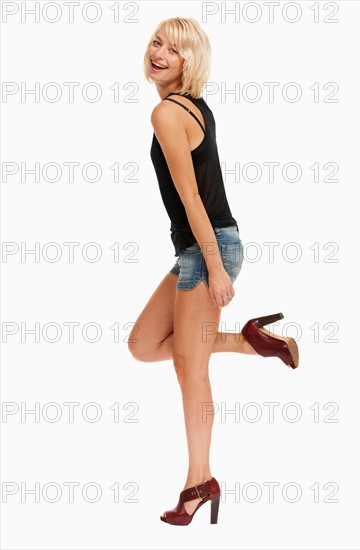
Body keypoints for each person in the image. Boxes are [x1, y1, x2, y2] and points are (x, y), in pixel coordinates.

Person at [128, 17, 299, 526]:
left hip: (209, 250)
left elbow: (192, 196)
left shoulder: (166, 112)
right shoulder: (193, 107)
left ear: (189, 62)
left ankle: (198, 482)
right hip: (197, 250)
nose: (159, 53)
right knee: (142, 345)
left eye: (174, 50)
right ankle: (250, 341)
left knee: (190, 369)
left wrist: (218, 269)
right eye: (157, 42)